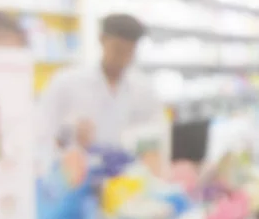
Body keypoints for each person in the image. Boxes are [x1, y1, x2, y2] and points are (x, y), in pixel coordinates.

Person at [37, 13, 168, 173]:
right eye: (118, 50)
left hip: (128, 183)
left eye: (130, 52)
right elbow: (42, 136)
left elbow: (157, 138)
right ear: (102, 39)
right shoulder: (66, 83)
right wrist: (68, 137)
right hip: (77, 181)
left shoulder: (144, 90)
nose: (123, 59)